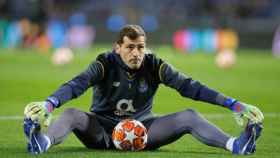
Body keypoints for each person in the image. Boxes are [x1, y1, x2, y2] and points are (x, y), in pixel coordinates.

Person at [23, 24, 264, 155]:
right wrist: (49, 103)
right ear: (118, 47)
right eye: (130, 47)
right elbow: (77, 84)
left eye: (140, 47)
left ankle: (236, 145)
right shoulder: (104, 63)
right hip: (103, 131)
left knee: (188, 116)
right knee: (72, 115)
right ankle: (41, 144)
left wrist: (234, 104)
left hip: (144, 131)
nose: (136, 52)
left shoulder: (155, 65)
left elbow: (192, 87)